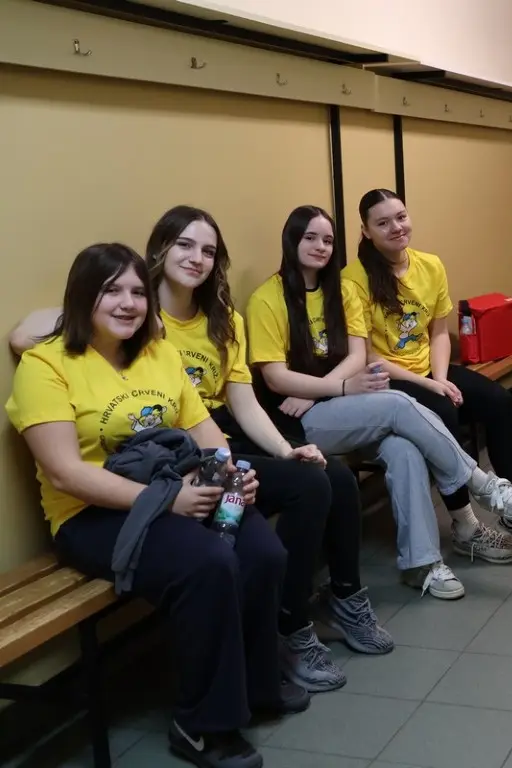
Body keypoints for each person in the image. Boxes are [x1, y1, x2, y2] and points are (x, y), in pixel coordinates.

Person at [7, 206, 393, 693]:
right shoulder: (135, 317)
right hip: (168, 457)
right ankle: (283, 631)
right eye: (185, 245)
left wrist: (283, 450)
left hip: (212, 436)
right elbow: (25, 335)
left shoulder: (222, 320)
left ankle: (319, 607)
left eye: (208, 251)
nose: (197, 258)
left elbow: (240, 404)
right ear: (159, 250)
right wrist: (104, 308)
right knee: (266, 515)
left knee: (324, 476)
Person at [5, 244, 307, 768]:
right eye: (111, 291)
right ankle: (201, 724)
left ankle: (257, 684)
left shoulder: (158, 354)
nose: (128, 303)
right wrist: (168, 500)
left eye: (137, 292)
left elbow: (205, 430)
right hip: (91, 516)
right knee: (207, 563)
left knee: (262, 552)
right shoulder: (45, 364)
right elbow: (65, 472)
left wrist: (231, 476)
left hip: (175, 490)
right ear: (82, 297)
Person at [246, 205, 512, 600]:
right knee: (397, 403)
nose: (320, 246)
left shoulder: (341, 291)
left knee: (405, 449)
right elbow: (275, 378)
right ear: (290, 240)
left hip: (338, 403)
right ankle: (480, 483)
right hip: (297, 421)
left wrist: (326, 388)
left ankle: (421, 563)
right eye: (309, 237)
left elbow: (356, 356)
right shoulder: (267, 299)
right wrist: (338, 389)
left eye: (328, 239)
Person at [343, 189, 512, 551]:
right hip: (386, 378)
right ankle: (465, 526)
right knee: (443, 412)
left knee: (499, 401)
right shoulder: (353, 280)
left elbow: (438, 332)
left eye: (401, 217)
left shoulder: (430, 265)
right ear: (366, 231)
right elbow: (368, 356)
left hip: (429, 369)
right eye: (383, 223)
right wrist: (428, 385)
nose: (396, 227)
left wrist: (439, 378)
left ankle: (511, 506)